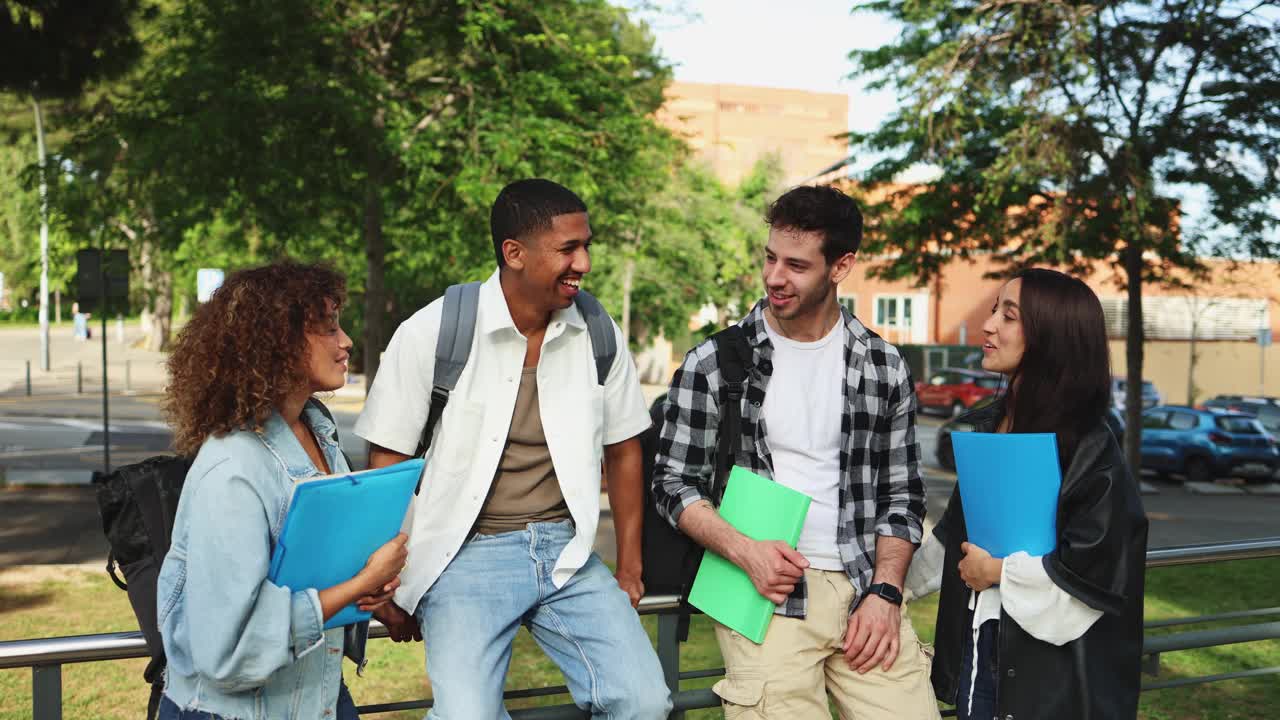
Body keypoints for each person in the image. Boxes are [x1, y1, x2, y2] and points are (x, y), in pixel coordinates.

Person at [354, 178, 671, 719]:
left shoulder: (598, 331)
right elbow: (387, 464)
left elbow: (624, 450)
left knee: (644, 702)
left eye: (586, 245)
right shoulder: (433, 332)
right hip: (463, 556)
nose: (585, 262)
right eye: (568, 248)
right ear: (514, 253)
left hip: (566, 553)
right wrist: (391, 583)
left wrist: (630, 568)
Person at [653, 185, 940, 718]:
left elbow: (903, 495)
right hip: (760, 595)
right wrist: (745, 551)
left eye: (796, 265)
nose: (774, 277)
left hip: (864, 587)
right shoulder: (715, 362)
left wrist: (886, 592)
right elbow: (672, 483)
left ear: (841, 266)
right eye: (769, 257)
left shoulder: (883, 364)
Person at [157, 262, 406, 720]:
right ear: (277, 343)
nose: (346, 340)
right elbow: (228, 653)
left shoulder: (319, 431)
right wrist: (359, 584)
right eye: (328, 328)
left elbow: (315, 572)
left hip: (319, 699)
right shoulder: (233, 468)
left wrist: (372, 591)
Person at [906, 268, 1149, 720]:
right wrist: (885, 587)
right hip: (981, 651)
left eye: (1009, 315)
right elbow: (954, 533)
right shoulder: (994, 425)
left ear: (1051, 336)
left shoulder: (1091, 445)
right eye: (995, 309)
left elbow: (1098, 567)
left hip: (1049, 680)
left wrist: (998, 570)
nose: (989, 324)